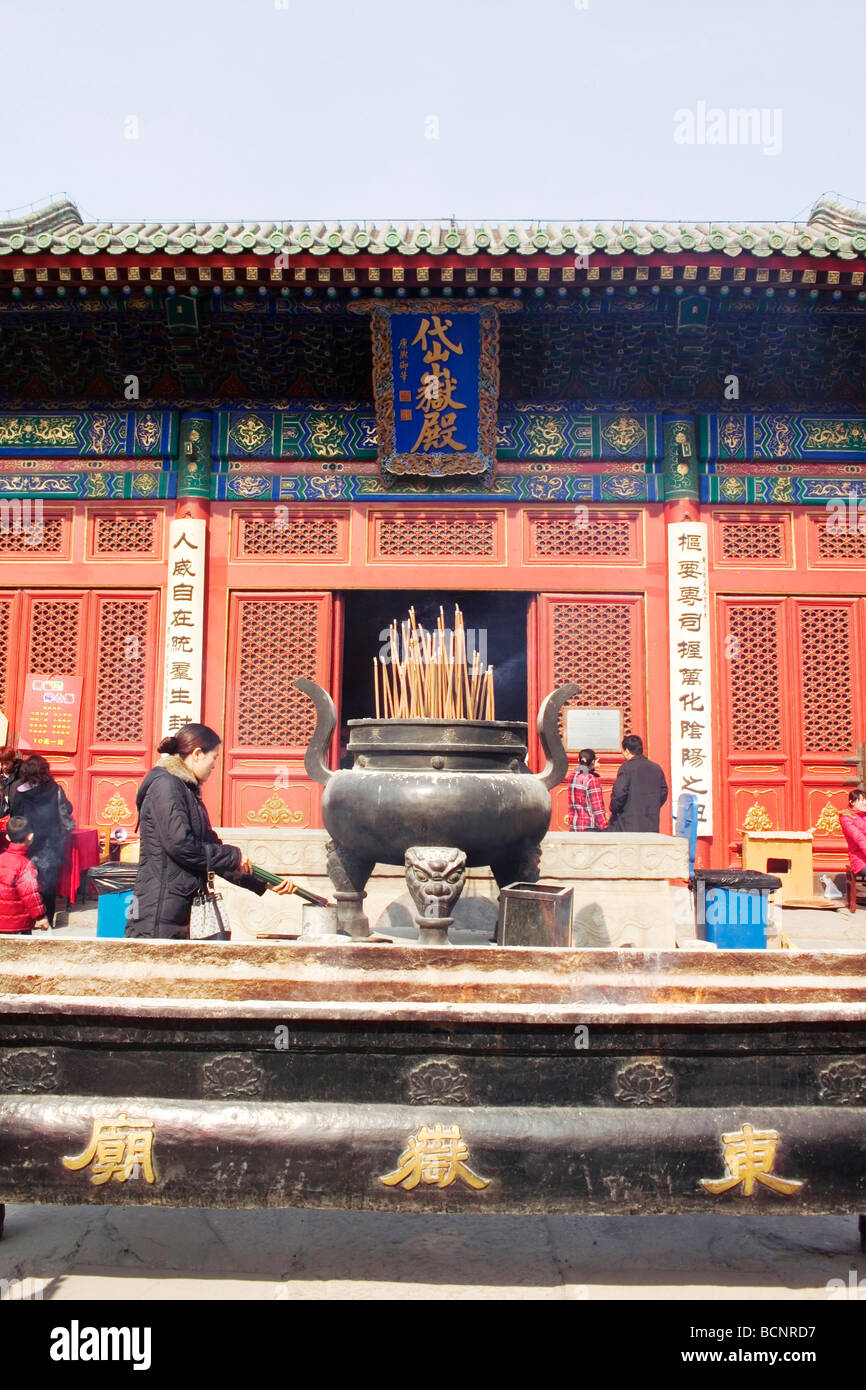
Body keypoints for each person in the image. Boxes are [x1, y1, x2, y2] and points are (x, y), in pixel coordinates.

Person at [129, 722, 295, 940]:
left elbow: (209, 849)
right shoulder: (166, 786)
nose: (214, 766)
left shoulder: (185, 789)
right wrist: (232, 855)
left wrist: (262, 881)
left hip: (179, 906)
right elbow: (181, 845)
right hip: (160, 910)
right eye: (214, 758)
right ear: (197, 754)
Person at [9, 754, 74, 926]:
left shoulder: (20, 791)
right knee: (48, 882)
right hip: (51, 844)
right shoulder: (55, 788)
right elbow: (66, 809)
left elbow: (16, 817)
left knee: (26, 882)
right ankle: (48, 918)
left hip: (28, 843)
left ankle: (28, 917)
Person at [608, 734, 669, 833]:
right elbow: (663, 792)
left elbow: (619, 793)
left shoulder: (626, 768)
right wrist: (652, 805)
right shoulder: (656, 768)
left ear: (627, 751)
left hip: (628, 823)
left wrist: (614, 808)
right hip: (651, 823)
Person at [0, 817, 51, 935]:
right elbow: (31, 895)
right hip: (18, 925)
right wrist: (40, 916)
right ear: (30, 836)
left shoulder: (1, 858)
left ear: (7, 837)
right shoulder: (25, 865)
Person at [566, 749, 608, 831]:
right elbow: (597, 808)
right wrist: (604, 827)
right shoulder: (591, 779)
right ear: (593, 762)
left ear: (579, 760)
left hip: (574, 826)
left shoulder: (572, 776)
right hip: (589, 828)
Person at [839, 788, 866, 883]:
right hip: (860, 860)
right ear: (852, 802)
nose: (865, 803)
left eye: (865, 800)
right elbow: (860, 839)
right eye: (861, 801)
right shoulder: (846, 818)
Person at [0, 746, 23, 819]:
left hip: (20, 820)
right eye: (2, 764)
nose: (4, 767)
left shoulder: (23, 774)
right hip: (6, 820)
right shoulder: (1, 777)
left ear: (13, 760)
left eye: (7, 763)